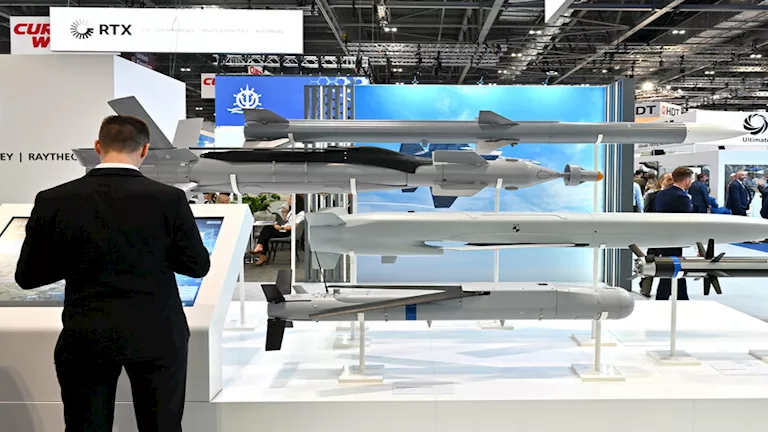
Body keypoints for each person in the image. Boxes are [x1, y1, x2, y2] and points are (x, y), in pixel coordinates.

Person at [15, 115, 211, 431]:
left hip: (86, 334)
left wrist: (80, 259)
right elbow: (197, 265)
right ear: (144, 150)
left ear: (97, 146)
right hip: (157, 333)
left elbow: (28, 276)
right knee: (161, 426)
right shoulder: (168, 199)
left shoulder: (53, 199)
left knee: (86, 426)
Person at [653, 166, 694, 301]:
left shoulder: (661, 194)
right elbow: (686, 220)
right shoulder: (682, 197)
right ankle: (665, 297)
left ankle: (681, 297)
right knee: (672, 267)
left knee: (673, 267)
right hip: (676, 238)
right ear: (686, 180)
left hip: (662, 236)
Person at [248, 195, 305, 265]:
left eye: (290, 199)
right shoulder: (292, 211)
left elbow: (294, 226)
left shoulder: (301, 214)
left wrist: (281, 228)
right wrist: (284, 212)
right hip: (284, 229)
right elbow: (286, 221)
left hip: (289, 232)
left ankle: (261, 250)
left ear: (296, 201)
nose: (288, 201)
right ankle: (261, 251)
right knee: (267, 232)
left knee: (267, 230)